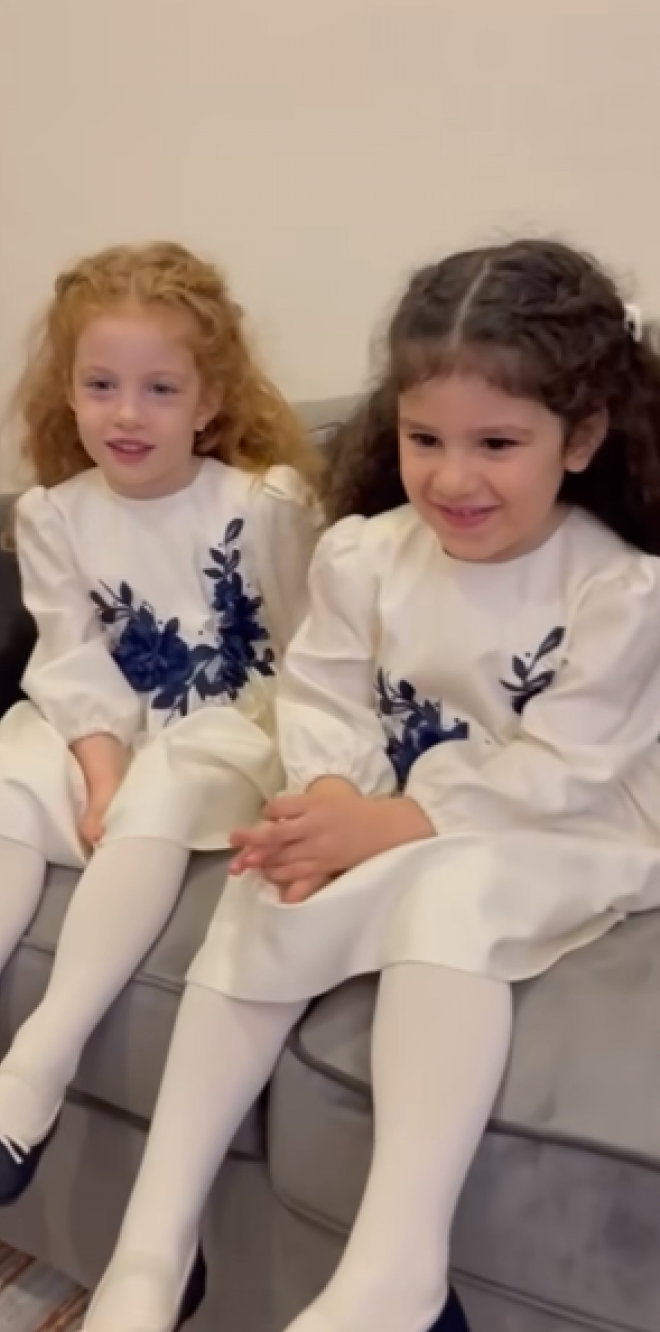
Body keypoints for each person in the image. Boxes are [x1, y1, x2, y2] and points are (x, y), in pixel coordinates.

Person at [81, 238, 660, 1332]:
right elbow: (323, 701)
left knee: (454, 893)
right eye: (423, 437)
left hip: (563, 825)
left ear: (580, 438)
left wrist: (390, 822)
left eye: (497, 443)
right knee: (267, 884)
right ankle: (151, 1248)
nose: (451, 478)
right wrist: (329, 809)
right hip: (393, 814)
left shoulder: (623, 592)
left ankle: (399, 1271)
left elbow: (570, 765)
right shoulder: (363, 556)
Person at [0, 240, 321, 1208]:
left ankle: (34, 1074)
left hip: (235, 726)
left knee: (172, 771)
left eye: (161, 389)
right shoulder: (56, 514)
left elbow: (312, 649)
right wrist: (99, 769)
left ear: (208, 400)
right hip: (117, 724)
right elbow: (72, 660)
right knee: (18, 756)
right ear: (69, 393)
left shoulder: (264, 505)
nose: (127, 413)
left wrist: (315, 777)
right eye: (102, 385)